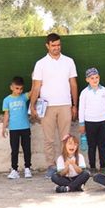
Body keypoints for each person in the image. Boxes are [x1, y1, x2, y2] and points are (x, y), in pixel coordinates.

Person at [29, 33, 78, 176]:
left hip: (65, 105)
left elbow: (73, 84)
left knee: (66, 138)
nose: (56, 48)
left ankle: (65, 165)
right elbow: (36, 86)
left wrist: (75, 105)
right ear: (47, 46)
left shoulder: (69, 61)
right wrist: (32, 106)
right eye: (53, 45)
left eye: (58, 45)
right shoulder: (40, 64)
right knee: (49, 138)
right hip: (46, 106)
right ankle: (51, 166)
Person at [79, 67, 105, 170]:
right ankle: (92, 166)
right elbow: (81, 108)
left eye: (96, 77)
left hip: (103, 121)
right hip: (89, 122)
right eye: (92, 78)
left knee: (102, 145)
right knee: (92, 146)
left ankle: (103, 166)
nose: (95, 80)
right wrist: (81, 124)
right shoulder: (84, 92)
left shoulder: (104, 91)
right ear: (87, 80)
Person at [1, 76, 33, 179]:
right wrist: (4, 127)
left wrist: (34, 78)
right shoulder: (7, 100)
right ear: (11, 87)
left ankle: (27, 168)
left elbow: (33, 91)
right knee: (14, 149)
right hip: (13, 128)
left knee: (26, 148)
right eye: (17, 88)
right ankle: (14, 170)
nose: (19, 91)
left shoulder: (24, 97)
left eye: (21, 89)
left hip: (25, 127)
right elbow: (6, 114)